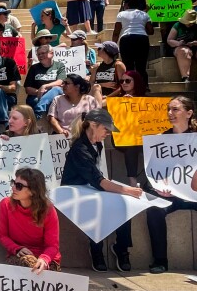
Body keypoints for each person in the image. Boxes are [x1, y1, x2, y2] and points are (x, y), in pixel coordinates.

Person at [61, 109, 141, 272]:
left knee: (124, 203)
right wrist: (128, 189)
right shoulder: (79, 148)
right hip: (74, 192)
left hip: (90, 188)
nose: (108, 133)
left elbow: (98, 179)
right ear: (93, 125)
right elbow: (99, 182)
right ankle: (96, 250)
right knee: (102, 204)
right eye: (106, 129)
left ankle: (122, 248)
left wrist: (124, 192)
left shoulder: (97, 144)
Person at [143, 97, 197, 274]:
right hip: (171, 196)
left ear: (189, 113)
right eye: (168, 109)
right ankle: (160, 260)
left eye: (175, 109)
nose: (170, 113)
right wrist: (158, 188)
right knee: (154, 209)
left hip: (194, 194)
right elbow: (152, 174)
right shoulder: (161, 140)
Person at [107, 70, 147, 187]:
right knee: (131, 145)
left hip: (143, 137)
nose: (124, 83)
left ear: (136, 82)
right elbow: (99, 104)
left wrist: (134, 101)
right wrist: (123, 102)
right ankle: (132, 181)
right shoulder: (117, 100)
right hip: (123, 139)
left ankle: (156, 180)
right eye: (121, 81)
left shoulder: (147, 100)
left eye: (128, 80)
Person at [113, 0, 153, 87]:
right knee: (141, 65)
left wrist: (114, 44)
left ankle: (130, 87)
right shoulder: (144, 14)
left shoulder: (121, 14)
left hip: (126, 39)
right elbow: (151, 31)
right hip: (142, 39)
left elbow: (116, 31)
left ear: (126, 4)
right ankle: (144, 86)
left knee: (128, 65)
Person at [23, 44, 66, 120]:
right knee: (35, 100)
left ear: (51, 53)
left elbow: (60, 81)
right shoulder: (34, 68)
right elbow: (28, 89)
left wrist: (45, 86)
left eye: (43, 53)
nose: (40, 56)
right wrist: (39, 92)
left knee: (56, 89)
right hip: (37, 96)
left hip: (55, 95)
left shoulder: (59, 65)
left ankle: (38, 110)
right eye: (38, 54)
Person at [167, 9, 197, 82]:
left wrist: (193, 43)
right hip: (180, 47)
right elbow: (169, 40)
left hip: (194, 46)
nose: (190, 24)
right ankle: (185, 77)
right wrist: (178, 43)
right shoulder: (177, 25)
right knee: (184, 51)